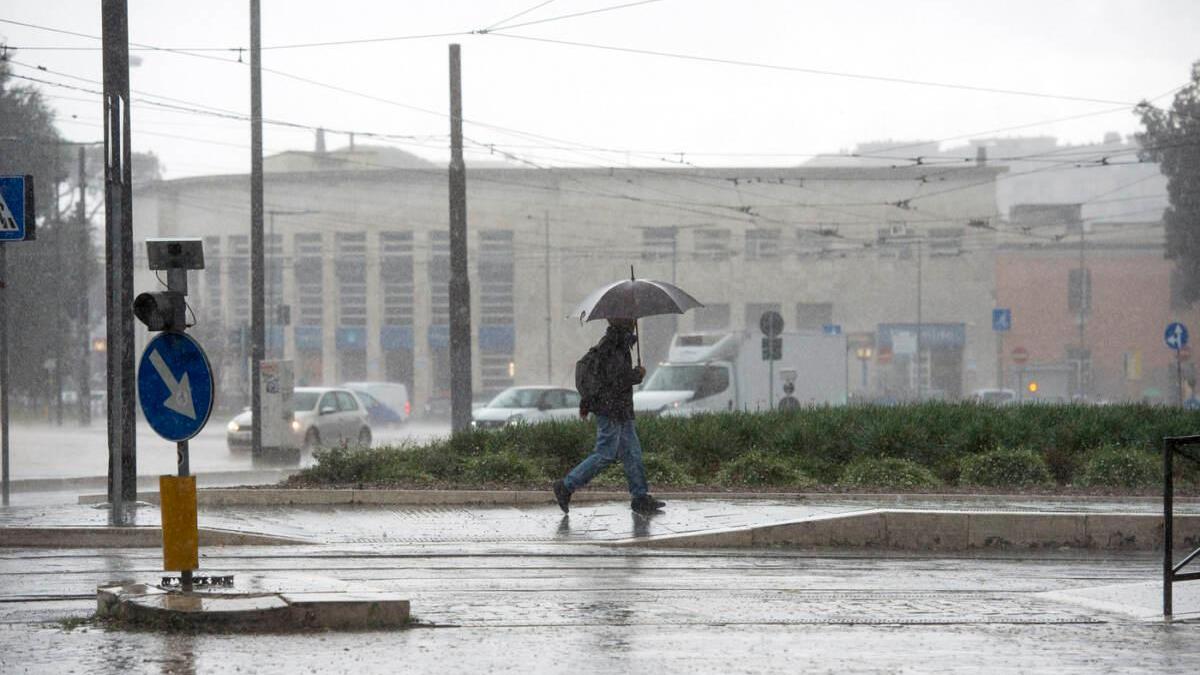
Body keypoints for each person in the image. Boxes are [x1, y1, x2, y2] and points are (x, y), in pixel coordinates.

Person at [554, 317, 666, 515]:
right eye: (630, 319)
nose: (634, 322)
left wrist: (632, 376)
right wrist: (636, 376)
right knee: (605, 453)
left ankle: (640, 497)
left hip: (620, 409)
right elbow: (614, 380)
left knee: (632, 453)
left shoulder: (619, 343)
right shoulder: (612, 346)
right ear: (623, 322)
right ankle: (566, 485)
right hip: (611, 409)